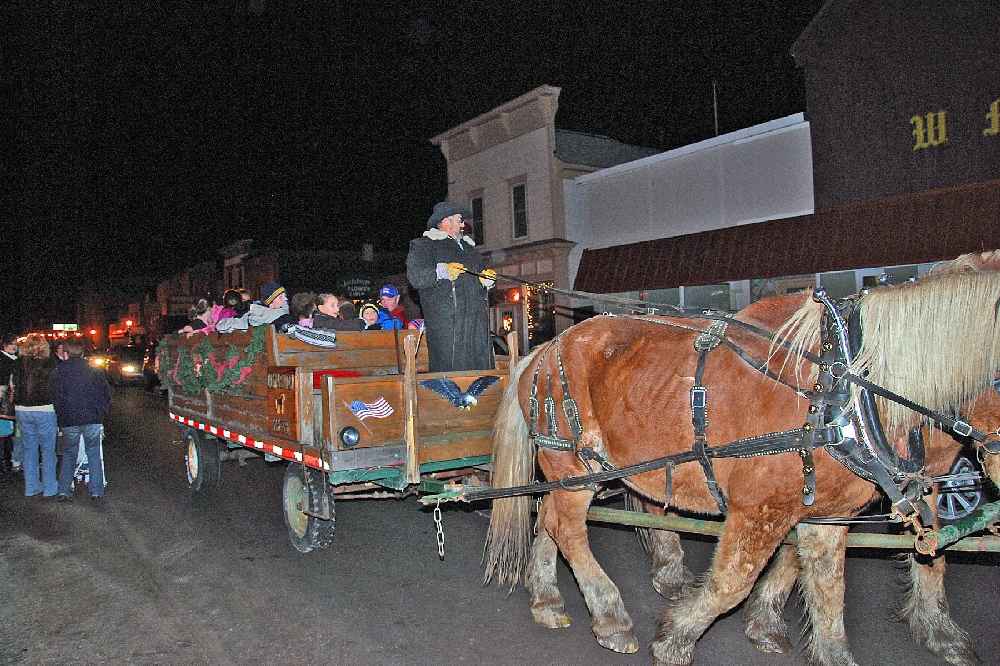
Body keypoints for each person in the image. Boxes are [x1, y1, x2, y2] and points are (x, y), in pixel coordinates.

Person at [406, 201, 496, 372]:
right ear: (446, 221)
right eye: (460, 220)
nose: (463, 225)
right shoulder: (424, 246)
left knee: (482, 378)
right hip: (448, 330)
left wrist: (488, 282)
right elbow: (415, 277)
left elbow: (482, 281)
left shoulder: (470, 250)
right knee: (451, 381)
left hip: (477, 328)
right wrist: (442, 271)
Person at [50, 337, 111, 501]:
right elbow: (106, 396)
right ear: (83, 351)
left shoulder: (59, 371)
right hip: (92, 418)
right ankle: (96, 490)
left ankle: (64, 490)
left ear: (66, 352)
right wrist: (100, 414)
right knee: (93, 453)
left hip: (69, 419)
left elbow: (55, 396)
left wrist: (60, 415)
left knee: (69, 453)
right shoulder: (94, 370)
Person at [13, 335, 59, 497]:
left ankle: (31, 486)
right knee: (48, 450)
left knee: (29, 449)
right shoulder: (51, 363)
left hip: (22, 409)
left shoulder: (18, 364)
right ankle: (50, 487)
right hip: (45, 409)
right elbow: (55, 389)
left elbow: (14, 386)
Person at [0, 334, 19, 472]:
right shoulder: (4, 360)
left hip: (10, 400)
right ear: (4, 345)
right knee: (4, 431)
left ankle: (8, 459)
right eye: (11, 344)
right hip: (5, 401)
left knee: (9, 431)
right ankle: (4, 460)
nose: (14, 346)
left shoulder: (14, 360)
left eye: (15, 344)